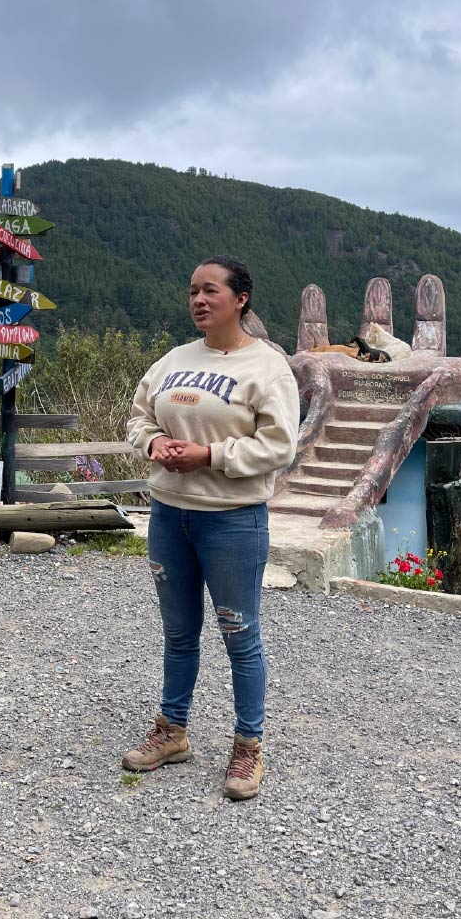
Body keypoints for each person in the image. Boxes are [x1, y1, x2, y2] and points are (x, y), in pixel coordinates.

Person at [124, 256, 300, 800]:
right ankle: (172, 731)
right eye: (193, 291)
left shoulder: (268, 368)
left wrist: (209, 455)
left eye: (211, 291)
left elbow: (279, 445)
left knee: (240, 635)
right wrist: (155, 442)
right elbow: (138, 417)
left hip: (233, 520)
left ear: (240, 299)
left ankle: (248, 746)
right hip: (168, 515)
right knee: (179, 632)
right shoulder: (174, 360)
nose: (199, 300)